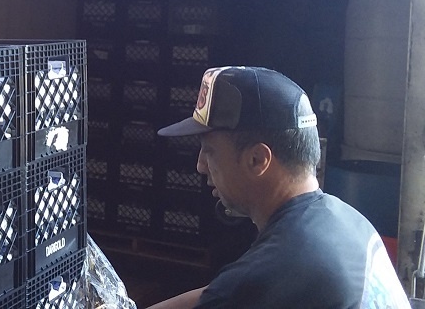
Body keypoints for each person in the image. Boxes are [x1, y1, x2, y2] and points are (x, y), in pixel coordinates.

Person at [147, 66, 410, 309]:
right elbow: (222, 292)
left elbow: (243, 288)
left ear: (257, 160)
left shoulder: (277, 269)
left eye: (210, 152)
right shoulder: (344, 219)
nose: (201, 166)